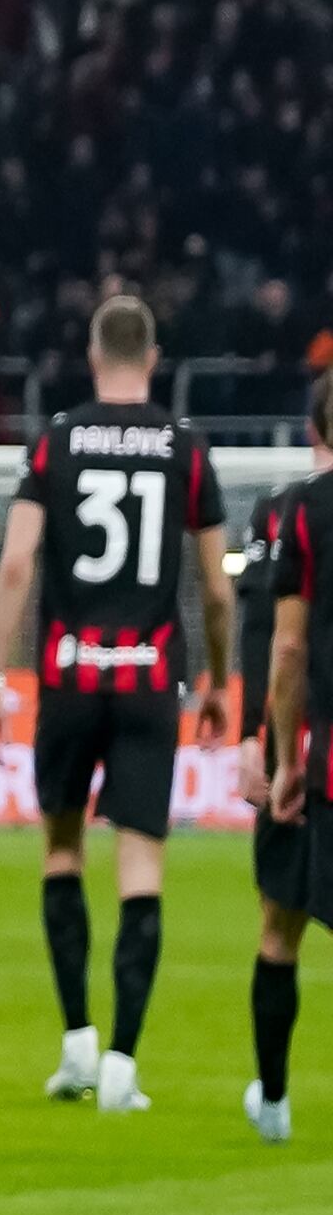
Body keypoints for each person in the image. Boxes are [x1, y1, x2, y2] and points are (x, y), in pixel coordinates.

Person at [0, 294, 233, 1114]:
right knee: (142, 868)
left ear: (94, 356)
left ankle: (77, 1044)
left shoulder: (53, 443)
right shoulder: (186, 451)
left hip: (70, 681)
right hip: (150, 684)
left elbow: (17, 566)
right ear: (152, 360)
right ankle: (123, 1065)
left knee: (61, 850)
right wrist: (222, 682)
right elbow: (218, 591)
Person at [249, 370, 333, 1142]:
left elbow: (285, 649)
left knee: (281, 926)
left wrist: (280, 757)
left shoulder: (298, 513)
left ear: (316, 433)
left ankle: (273, 1101)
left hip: (321, 765)